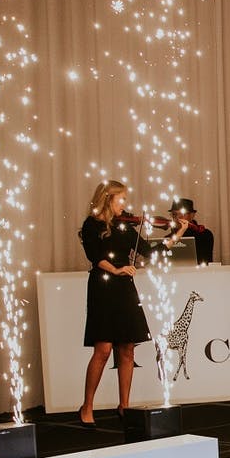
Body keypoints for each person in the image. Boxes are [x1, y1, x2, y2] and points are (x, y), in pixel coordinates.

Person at [78, 180, 182, 426]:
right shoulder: (91, 224)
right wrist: (116, 269)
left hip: (124, 288)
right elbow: (95, 256)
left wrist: (175, 236)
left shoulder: (125, 225)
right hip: (103, 286)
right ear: (107, 199)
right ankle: (87, 405)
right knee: (103, 349)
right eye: (121, 199)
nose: (124, 204)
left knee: (127, 348)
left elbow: (148, 251)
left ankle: (124, 405)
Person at [166, 198, 215, 263]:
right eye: (174, 214)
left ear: (192, 215)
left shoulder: (204, 234)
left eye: (182, 214)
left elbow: (205, 261)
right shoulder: (168, 239)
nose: (178, 217)